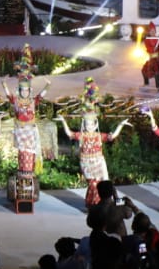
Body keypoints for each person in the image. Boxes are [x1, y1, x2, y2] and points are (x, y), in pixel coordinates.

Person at [54, 78, 129, 206]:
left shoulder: (99, 135)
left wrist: (121, 125)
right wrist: (63, 121)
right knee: (94, 184)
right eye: (87, 124)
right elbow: (70, 134)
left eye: (91, 124)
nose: (89, 126)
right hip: (87, 163)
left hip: (99, 161)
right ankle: (94, 204)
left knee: (105, 181)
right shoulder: (82, 135)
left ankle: (112, 201)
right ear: (84, 124)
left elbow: (112, 137)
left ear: (95, 125)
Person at [1, 45, 50, 211]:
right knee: (23, 155)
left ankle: (28, 183)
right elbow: (8, 95)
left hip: (30, 131)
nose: (24, 92)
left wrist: (47, 85)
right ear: (19, 90)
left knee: (30, 154)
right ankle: (22, 182)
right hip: (21, 132)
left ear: (29, 90)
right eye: (22, 90)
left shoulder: (32, 101)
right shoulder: (16, 101)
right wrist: (3, 84)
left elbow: (41, 96)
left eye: (26, 90)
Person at [140, 25, 159, 91]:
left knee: (156, 71)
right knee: (144, 70)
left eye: (154, 31)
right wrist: (152, 49)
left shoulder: (158, 38)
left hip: (157, 57)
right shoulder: (147, 39)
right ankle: (146, 83)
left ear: (155, 31)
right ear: (149, 32)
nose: (152, 32)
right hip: (151, 57)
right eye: (151, 31)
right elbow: (147, 47)